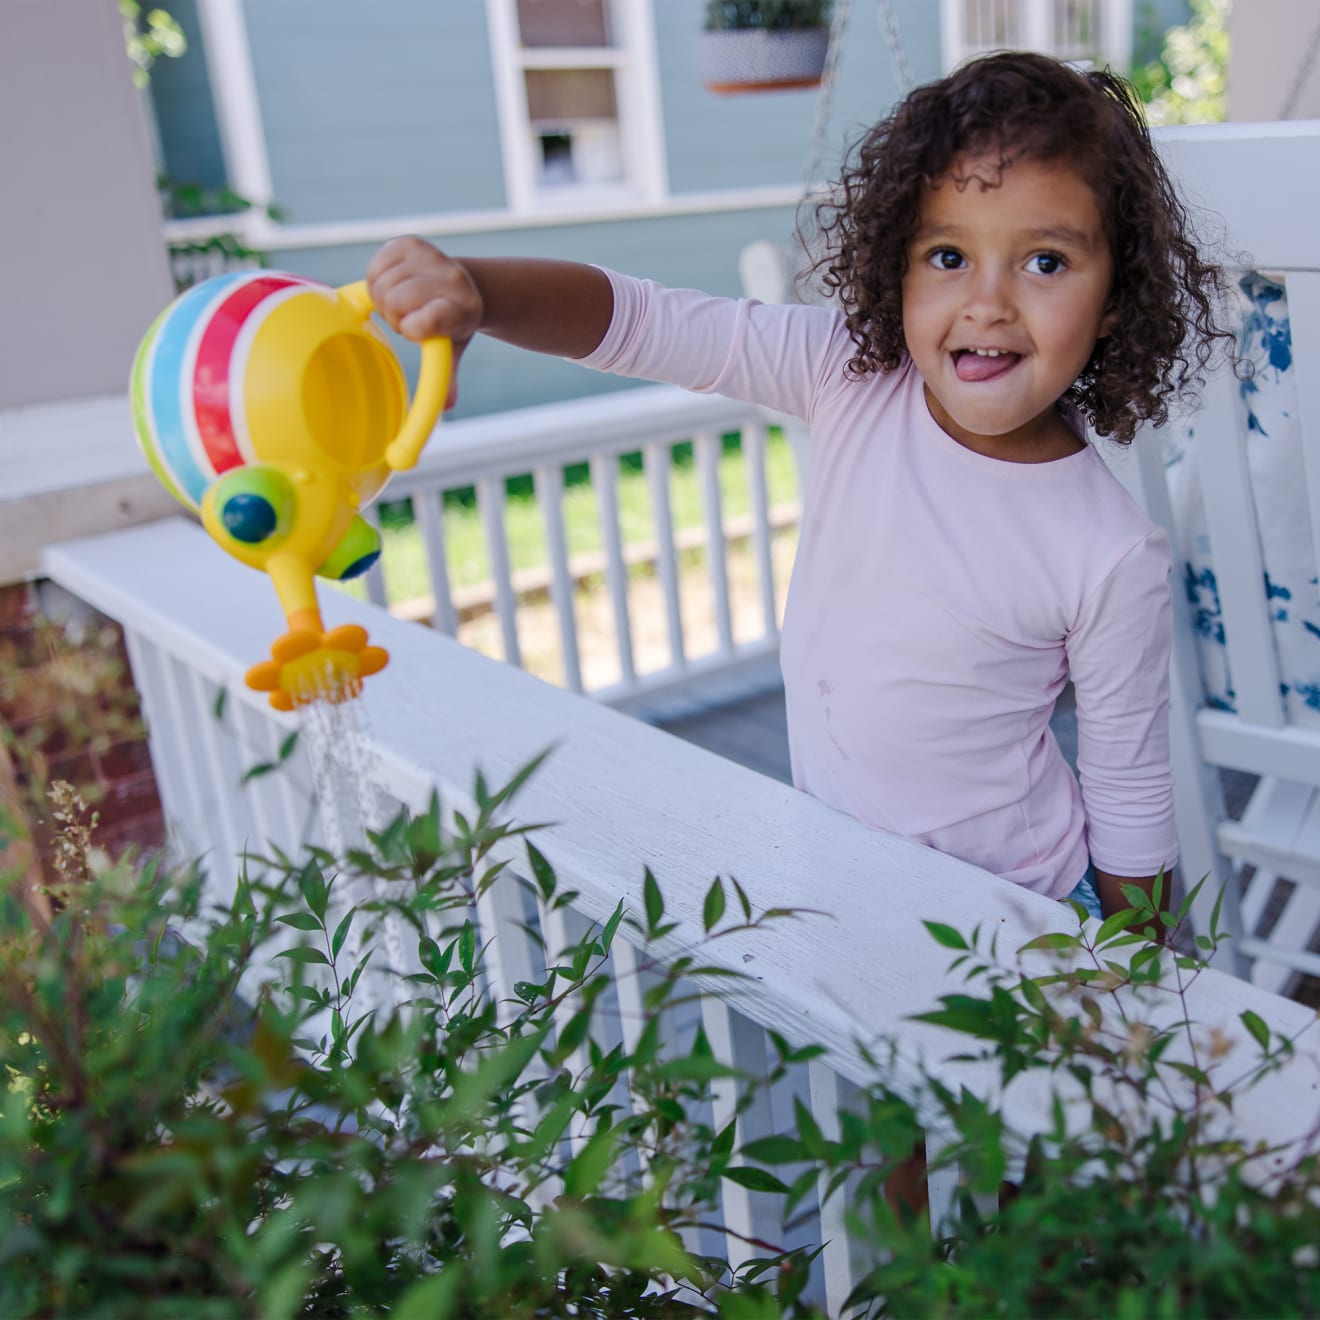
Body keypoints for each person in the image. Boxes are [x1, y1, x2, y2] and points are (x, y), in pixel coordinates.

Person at [365, 52, 1228, 923]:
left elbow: (1129, 792)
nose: (988, 303)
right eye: (947, 255)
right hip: (845, 883)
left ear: (1116, 299)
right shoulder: (847, 376)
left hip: (1018, 916)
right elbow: (644, 321)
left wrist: (1143, 987)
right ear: (897, 262)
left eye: (1045, 262)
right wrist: (477, 289)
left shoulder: (1109, 548)